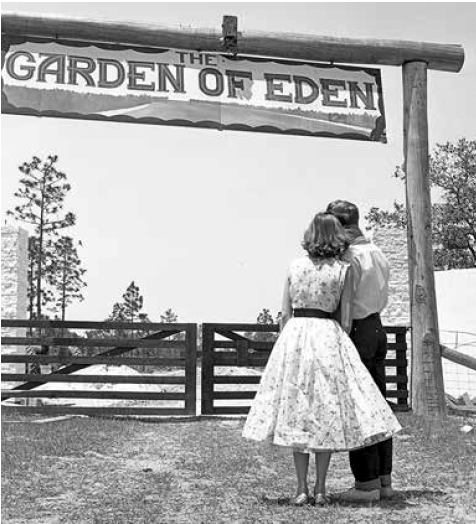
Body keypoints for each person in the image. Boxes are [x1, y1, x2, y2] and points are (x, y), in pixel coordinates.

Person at [242, 212, 401, 506]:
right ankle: (321, 488)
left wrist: (289, 337)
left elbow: (285, 313)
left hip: (297, 335)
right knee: (325, 411)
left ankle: (301, 488)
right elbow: (346, 317)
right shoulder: (343, 268)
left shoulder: (295, 265)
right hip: (328, 334)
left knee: (298, 410)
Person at [326, 199, 395, 502]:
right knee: (381, 405)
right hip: (378, 327)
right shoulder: (377, 252)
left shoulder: (349, 257)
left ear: (339, 224)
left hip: (357, 329)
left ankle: (365, 483)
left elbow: (343, 299)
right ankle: (384, 480)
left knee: (360, 406)